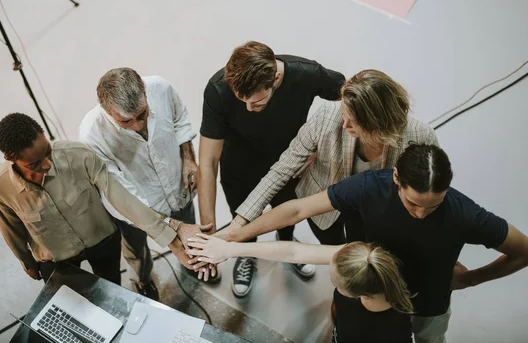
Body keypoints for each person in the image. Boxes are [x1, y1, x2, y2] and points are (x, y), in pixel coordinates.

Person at [219, 144, 528, 343]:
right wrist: (234, 235)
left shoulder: (466, 215)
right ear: (396, 179)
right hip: (371, 293)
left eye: (433, 207)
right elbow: (298, 210)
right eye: (413, 203)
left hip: (430, 305)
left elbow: (523, 251)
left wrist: (472, 279)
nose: (421, 214)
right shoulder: (369, 188)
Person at [198, 40, 345, 297]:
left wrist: (320, 147)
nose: (248, 109)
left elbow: (350, 98)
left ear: (275, 78)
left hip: (289, 164)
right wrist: (208, 234)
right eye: (241, 101)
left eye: (256, 102)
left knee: (285, 212)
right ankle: (246, 254)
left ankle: (286, 242)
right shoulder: (218, 90)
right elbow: (208, 163)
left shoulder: (307, 73)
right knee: (241, 219)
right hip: (238, 167)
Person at [226, 69, 438, 245]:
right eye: (344, 116)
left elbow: (428, 193)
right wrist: (241, 221)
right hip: (324, 210)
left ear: (379, 123)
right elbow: (283, 168)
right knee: (332, 247)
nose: (344, 126)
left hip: (378, 213)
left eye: (354, 122)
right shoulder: (327, 115)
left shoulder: (419, 136)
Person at [0, 113, 198, 286]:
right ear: (10, 158)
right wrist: (28, 263)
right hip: (56, 257)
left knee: (111, 286)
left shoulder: (78, 155)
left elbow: (122, 198)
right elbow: (11, 231)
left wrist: (171, 237)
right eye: (34, 164)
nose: (47, 165)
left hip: (102, 240)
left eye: (48, 152)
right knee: (71, 306)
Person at [79, 68, 218, 300]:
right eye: (126, 121)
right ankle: (144, 278)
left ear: (144, 90)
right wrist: (171, 231)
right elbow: (119, 194)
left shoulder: (160, 88)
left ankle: (191, 264)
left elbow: (179, 117)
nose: (138, 126)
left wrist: (188, 157)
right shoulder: (92, 135)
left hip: (177, 188)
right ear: (106, 111)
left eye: (143, 115)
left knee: (190, 230)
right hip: (134, 212)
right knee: (137, 251)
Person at [187, 236, 414, 343]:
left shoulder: (391, 334)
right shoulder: (359, 259)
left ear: (360, 296)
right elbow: (294, 252)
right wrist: (230, 249)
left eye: (335, 284)